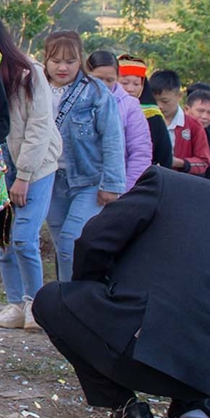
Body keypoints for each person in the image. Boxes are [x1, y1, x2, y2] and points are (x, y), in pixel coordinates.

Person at [32, 160, 210, 418]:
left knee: (52, 299)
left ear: (208, 178)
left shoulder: (168, 183)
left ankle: (127, 408)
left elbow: (95, 240)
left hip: (134, 353)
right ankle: (196, 417)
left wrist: (90, 293)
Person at [0, 13, 61, 332]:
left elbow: (40, 126)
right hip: (2, 164)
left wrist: (25, 175)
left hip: (37, 165)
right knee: (4, 236)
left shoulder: (30, 74)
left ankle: (35, 303)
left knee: (24, 237)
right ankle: (16, 303)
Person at [43, 31, 126, 282]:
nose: (62, 67)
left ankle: (72, 300)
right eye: (56, 60)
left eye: (70, 61)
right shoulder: (36, 89)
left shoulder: (96, 92)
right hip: (49, 178)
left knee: (72, 240)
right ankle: (67, 296)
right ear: (45, 60)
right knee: (61, 245)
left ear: (81, 60)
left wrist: (111, 184)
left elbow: (112, 139)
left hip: (88, 180)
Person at [85, 50, 151, 191]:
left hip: (114, 187)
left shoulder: (129, 105)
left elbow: (140, 152)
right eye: (98, 79)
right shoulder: (72, 99)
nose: (103, 85)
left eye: (109, 80)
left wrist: (128, 191)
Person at [149, 70, 210, 176]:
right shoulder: (143, 120)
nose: (160, 106)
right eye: (154, 101)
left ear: (179, 96)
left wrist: (180, 163)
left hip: (179, 182)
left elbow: (204, 163)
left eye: (165, 101)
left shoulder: (192, 126)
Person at [117, 54, 173, 170]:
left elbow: (164, 155)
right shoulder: (102, 109)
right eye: (125, 83)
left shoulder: (152, 114)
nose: (130, 89)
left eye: (136, 84)